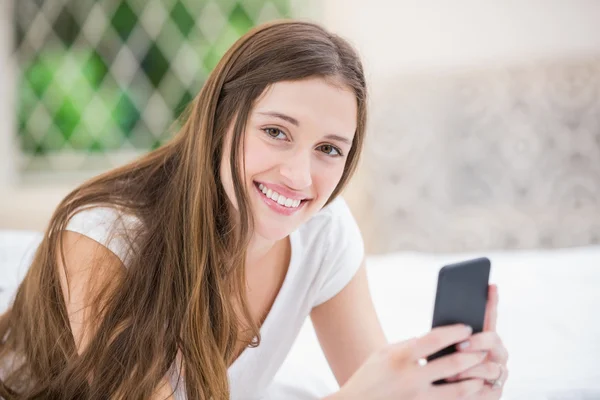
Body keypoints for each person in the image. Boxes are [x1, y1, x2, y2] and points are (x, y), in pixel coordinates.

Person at [0, 20, 508, 400]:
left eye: (329, 149)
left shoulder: (323, 233)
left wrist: (449, 384)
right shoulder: (104, 237)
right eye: (276, 132)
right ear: (221, 120)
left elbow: (375, 382)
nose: (299, 176)